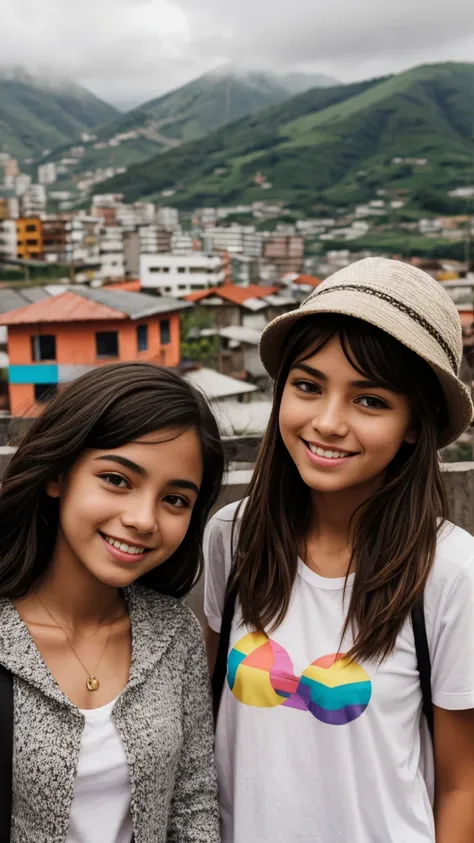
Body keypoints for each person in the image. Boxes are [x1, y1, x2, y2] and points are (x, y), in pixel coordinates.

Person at [204, 257, 474, 843]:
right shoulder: (233, 538)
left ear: (414, 422)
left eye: (370, 400)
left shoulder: (452, 575)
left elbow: (462, 788)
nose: (328, 422)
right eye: (308, 386)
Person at [0, 361, 225, 843]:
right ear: (58, 474)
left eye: (175, 500)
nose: (143, 519)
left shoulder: (175, 634)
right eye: (117, 480)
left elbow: (194, 806)